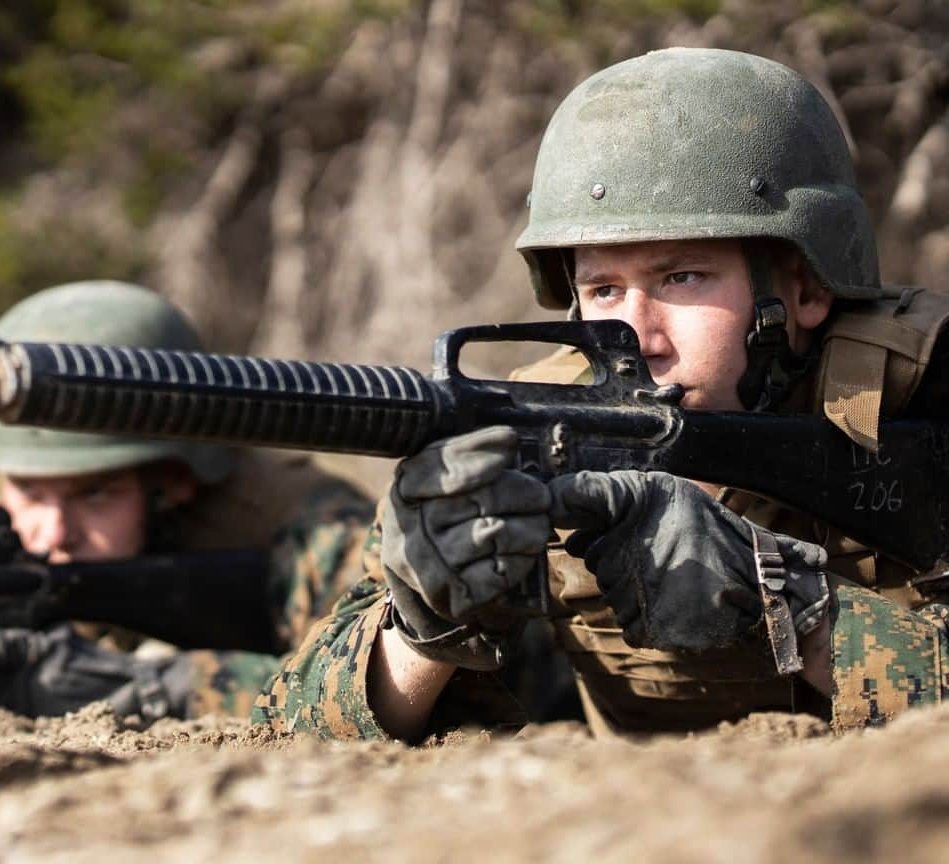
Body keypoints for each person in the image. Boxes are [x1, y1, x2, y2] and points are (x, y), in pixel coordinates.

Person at [253, 47, 949, 742]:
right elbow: (287, 730)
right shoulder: (532, 431)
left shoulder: (922, 403)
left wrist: (792, 605)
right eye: (604, 289)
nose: (637, 334)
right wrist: (421, 633)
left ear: (804, 288)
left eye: (683, 278)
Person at [0, 279, 373, 721]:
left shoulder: (301, 520)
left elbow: (381, 678)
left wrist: (166, 687)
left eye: (95, 493)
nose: (52, 533)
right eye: (28, 489)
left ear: (172, 481)